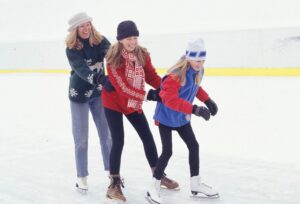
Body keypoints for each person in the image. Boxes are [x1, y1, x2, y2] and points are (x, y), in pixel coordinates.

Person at [101, 20, 179, 202]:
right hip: (113, 102)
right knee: (118, 140)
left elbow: (151, 75)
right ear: (120, 39)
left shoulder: (142, 54)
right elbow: (123, 88)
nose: (132, 42)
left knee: (147, 136)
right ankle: (113, 184)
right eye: (128, 38)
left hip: (132, 104)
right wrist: (149, 95)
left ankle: (158, 175)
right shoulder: (113, 58)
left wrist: (166, 88)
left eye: (135, 37)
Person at [146, 38, 219, 203]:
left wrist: (207, 101)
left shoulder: (199, 71)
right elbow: (169, 100)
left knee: (194, 146)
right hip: (166, 118)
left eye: (202, 60)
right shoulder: (175, 76)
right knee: (167, 151)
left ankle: (195, 184)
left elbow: (196, 87)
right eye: (196, 60)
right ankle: (154, 185)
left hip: (181, 118)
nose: (199, 63)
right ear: (188, 58)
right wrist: (195, 109)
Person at [65, 12, 112, 192]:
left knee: (106, 134)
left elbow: (113, 55)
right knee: (82, 139)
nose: (86, 28)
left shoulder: (100, 41)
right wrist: (99, 79)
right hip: (79, 95)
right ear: (75, 30)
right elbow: (82, 70)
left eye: (88, 24)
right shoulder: (71, 48)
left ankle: (111, 171)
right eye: (81, 26)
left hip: (99, 93)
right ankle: (81, 176)